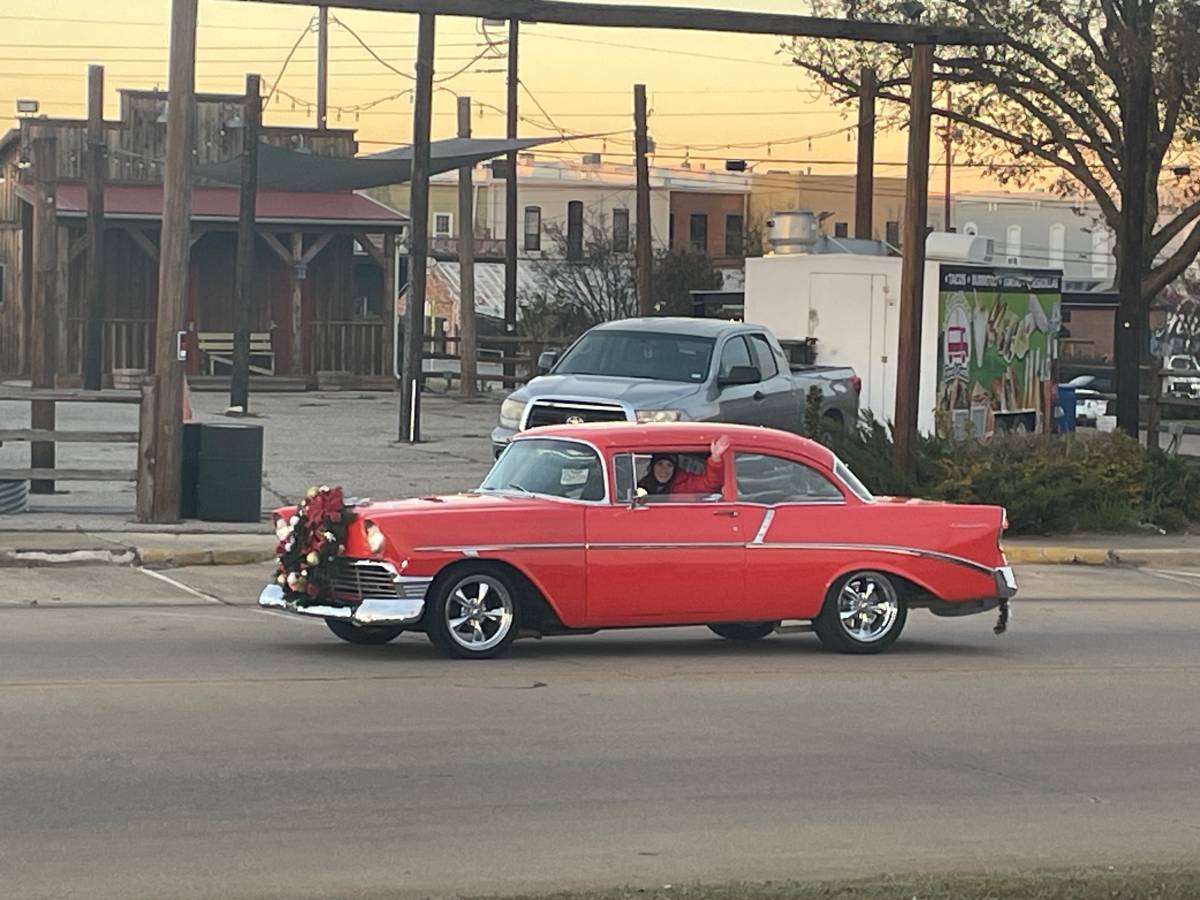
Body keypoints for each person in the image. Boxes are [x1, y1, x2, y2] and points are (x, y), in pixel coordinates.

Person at [637, 436, 730, 497]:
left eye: (669, 465)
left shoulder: (685, 483)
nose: (664, 470)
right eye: (659, 464)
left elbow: (711, 484)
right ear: (652, 466)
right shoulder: (643, 485)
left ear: (675, 468)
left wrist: (715, 459)